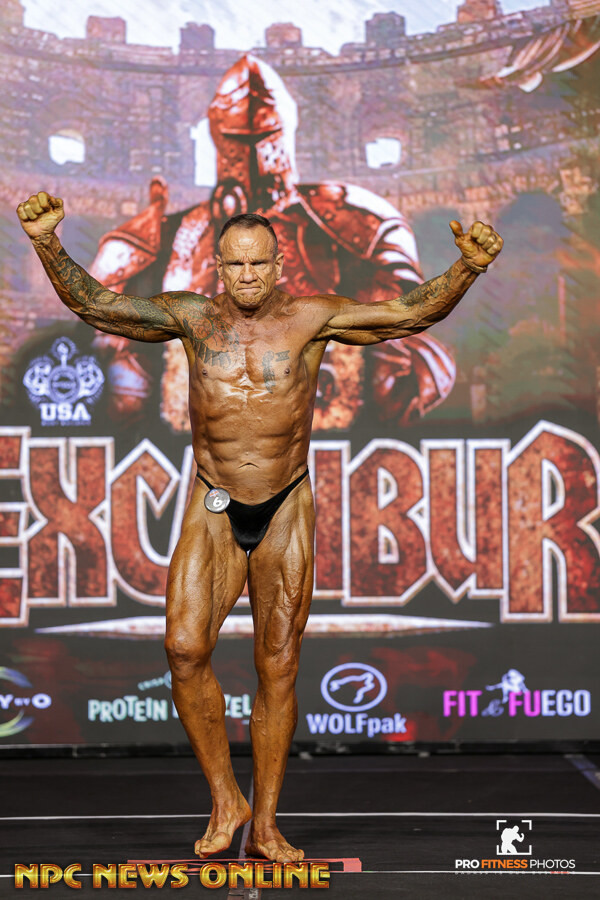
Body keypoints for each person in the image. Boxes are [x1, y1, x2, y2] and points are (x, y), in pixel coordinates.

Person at [16, 191, 503, 862]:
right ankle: (226, 799)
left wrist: (467, 268)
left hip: (285, 504)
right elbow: (98, 305)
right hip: (214, 500)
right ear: (217, 266)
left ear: (278, 265)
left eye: (258, 263)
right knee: (184, 649)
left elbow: (408, 313)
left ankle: (267, 824)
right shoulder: (191, 317)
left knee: (278, 666)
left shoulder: (312, 318)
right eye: (235, 264)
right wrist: (47, 242)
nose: (247, 275)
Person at [89, 54, 455, 432]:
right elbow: (110, 340)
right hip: (203, 426)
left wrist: (382, 354)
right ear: (217, 135)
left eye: (264, 136)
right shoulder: (174, 233)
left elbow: (407, 319)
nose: (253, 154)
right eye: (237, 139)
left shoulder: (355, 219)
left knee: (407, 368)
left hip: (321, 422)